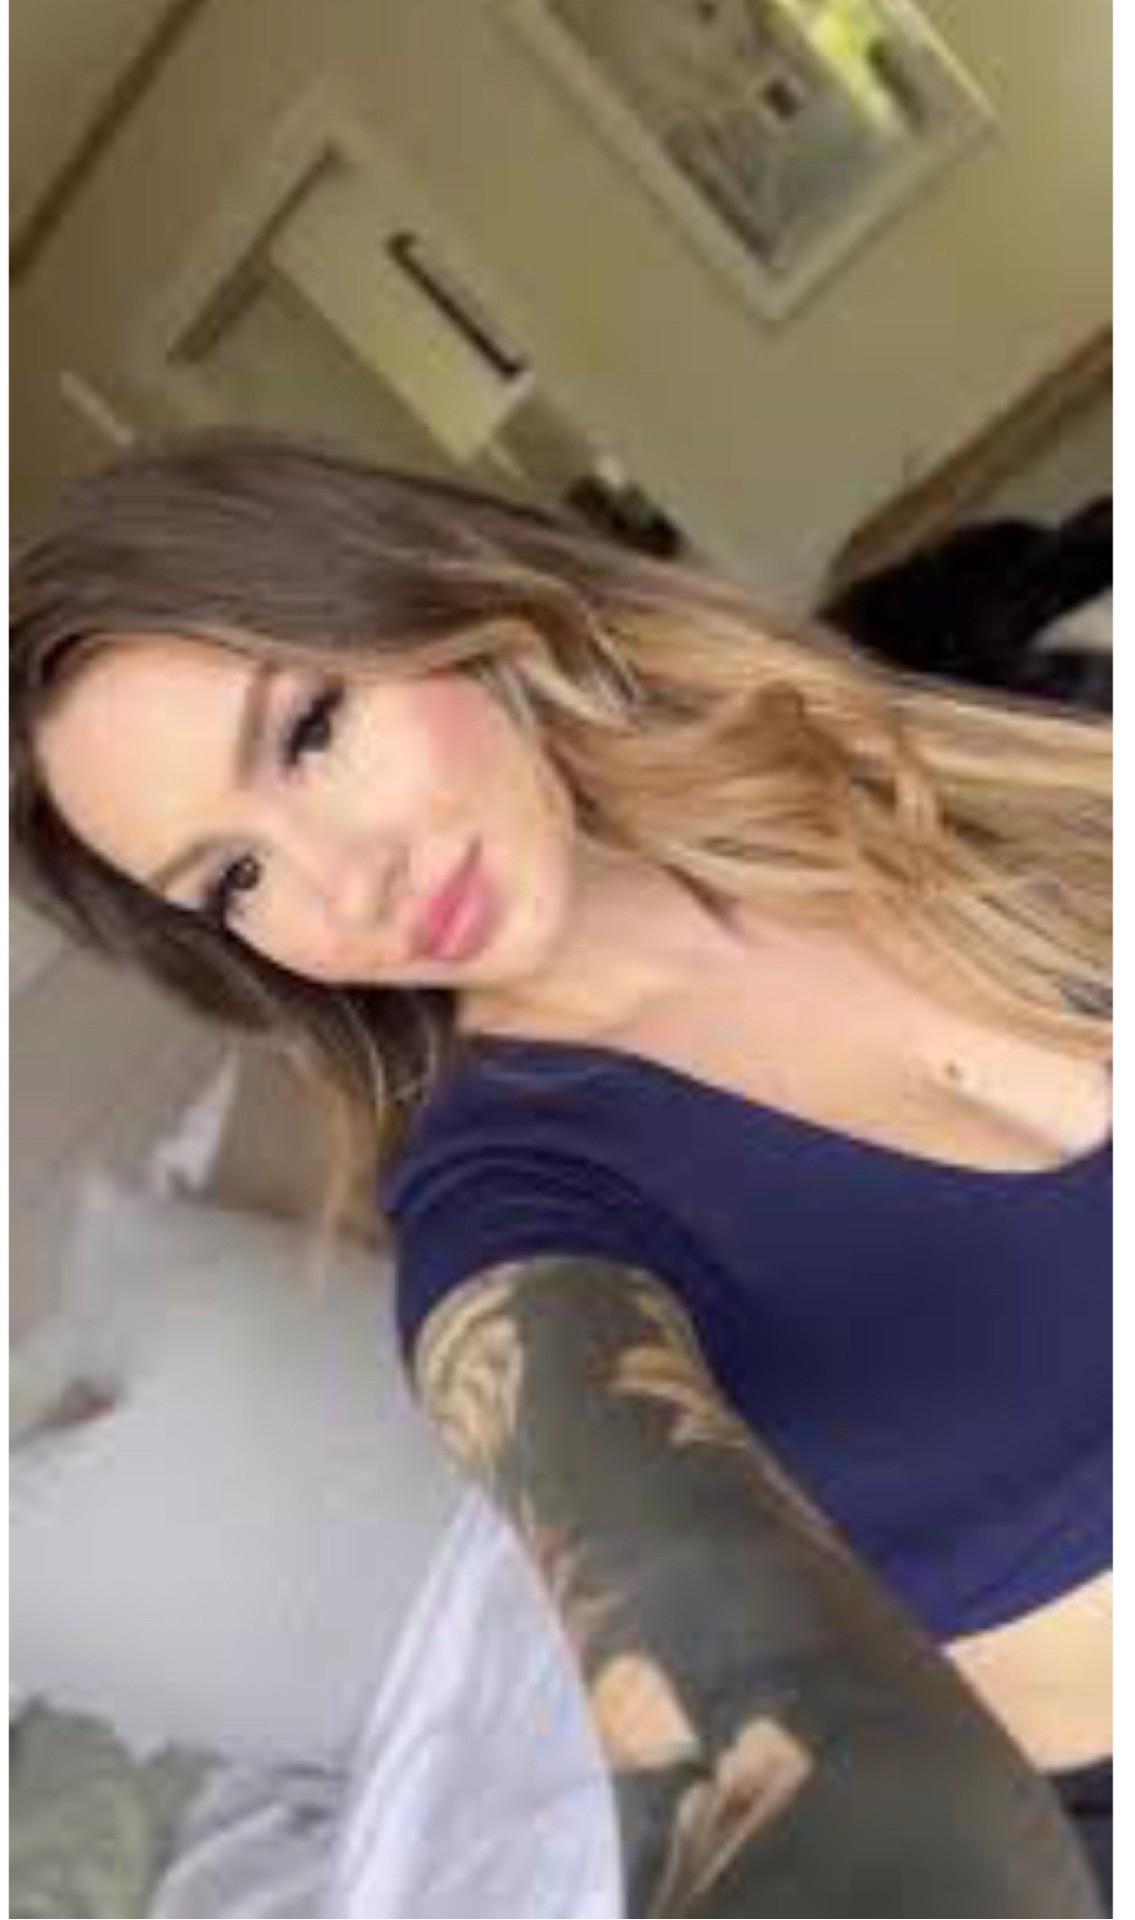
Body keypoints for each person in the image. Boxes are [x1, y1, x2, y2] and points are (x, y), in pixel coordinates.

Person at [10, 429, 1111, 1916]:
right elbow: (671, 1605)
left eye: (311, 730)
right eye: (236, 878)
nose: (345, 884)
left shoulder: (902, 765)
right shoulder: (507, 1221)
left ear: (447, 600)